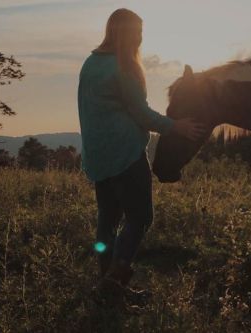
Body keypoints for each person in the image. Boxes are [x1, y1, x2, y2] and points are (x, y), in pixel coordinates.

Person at [77, 8, 204, 302]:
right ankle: (116, 280)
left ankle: (106, 281)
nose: (141, 38)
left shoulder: (91, 63)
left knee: (107, 219)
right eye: (138, 33)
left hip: (98, 156)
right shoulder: (123, 67)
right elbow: (142, 114)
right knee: (141, 217)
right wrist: (177, 127)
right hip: (126, 154)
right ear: (127, 34)